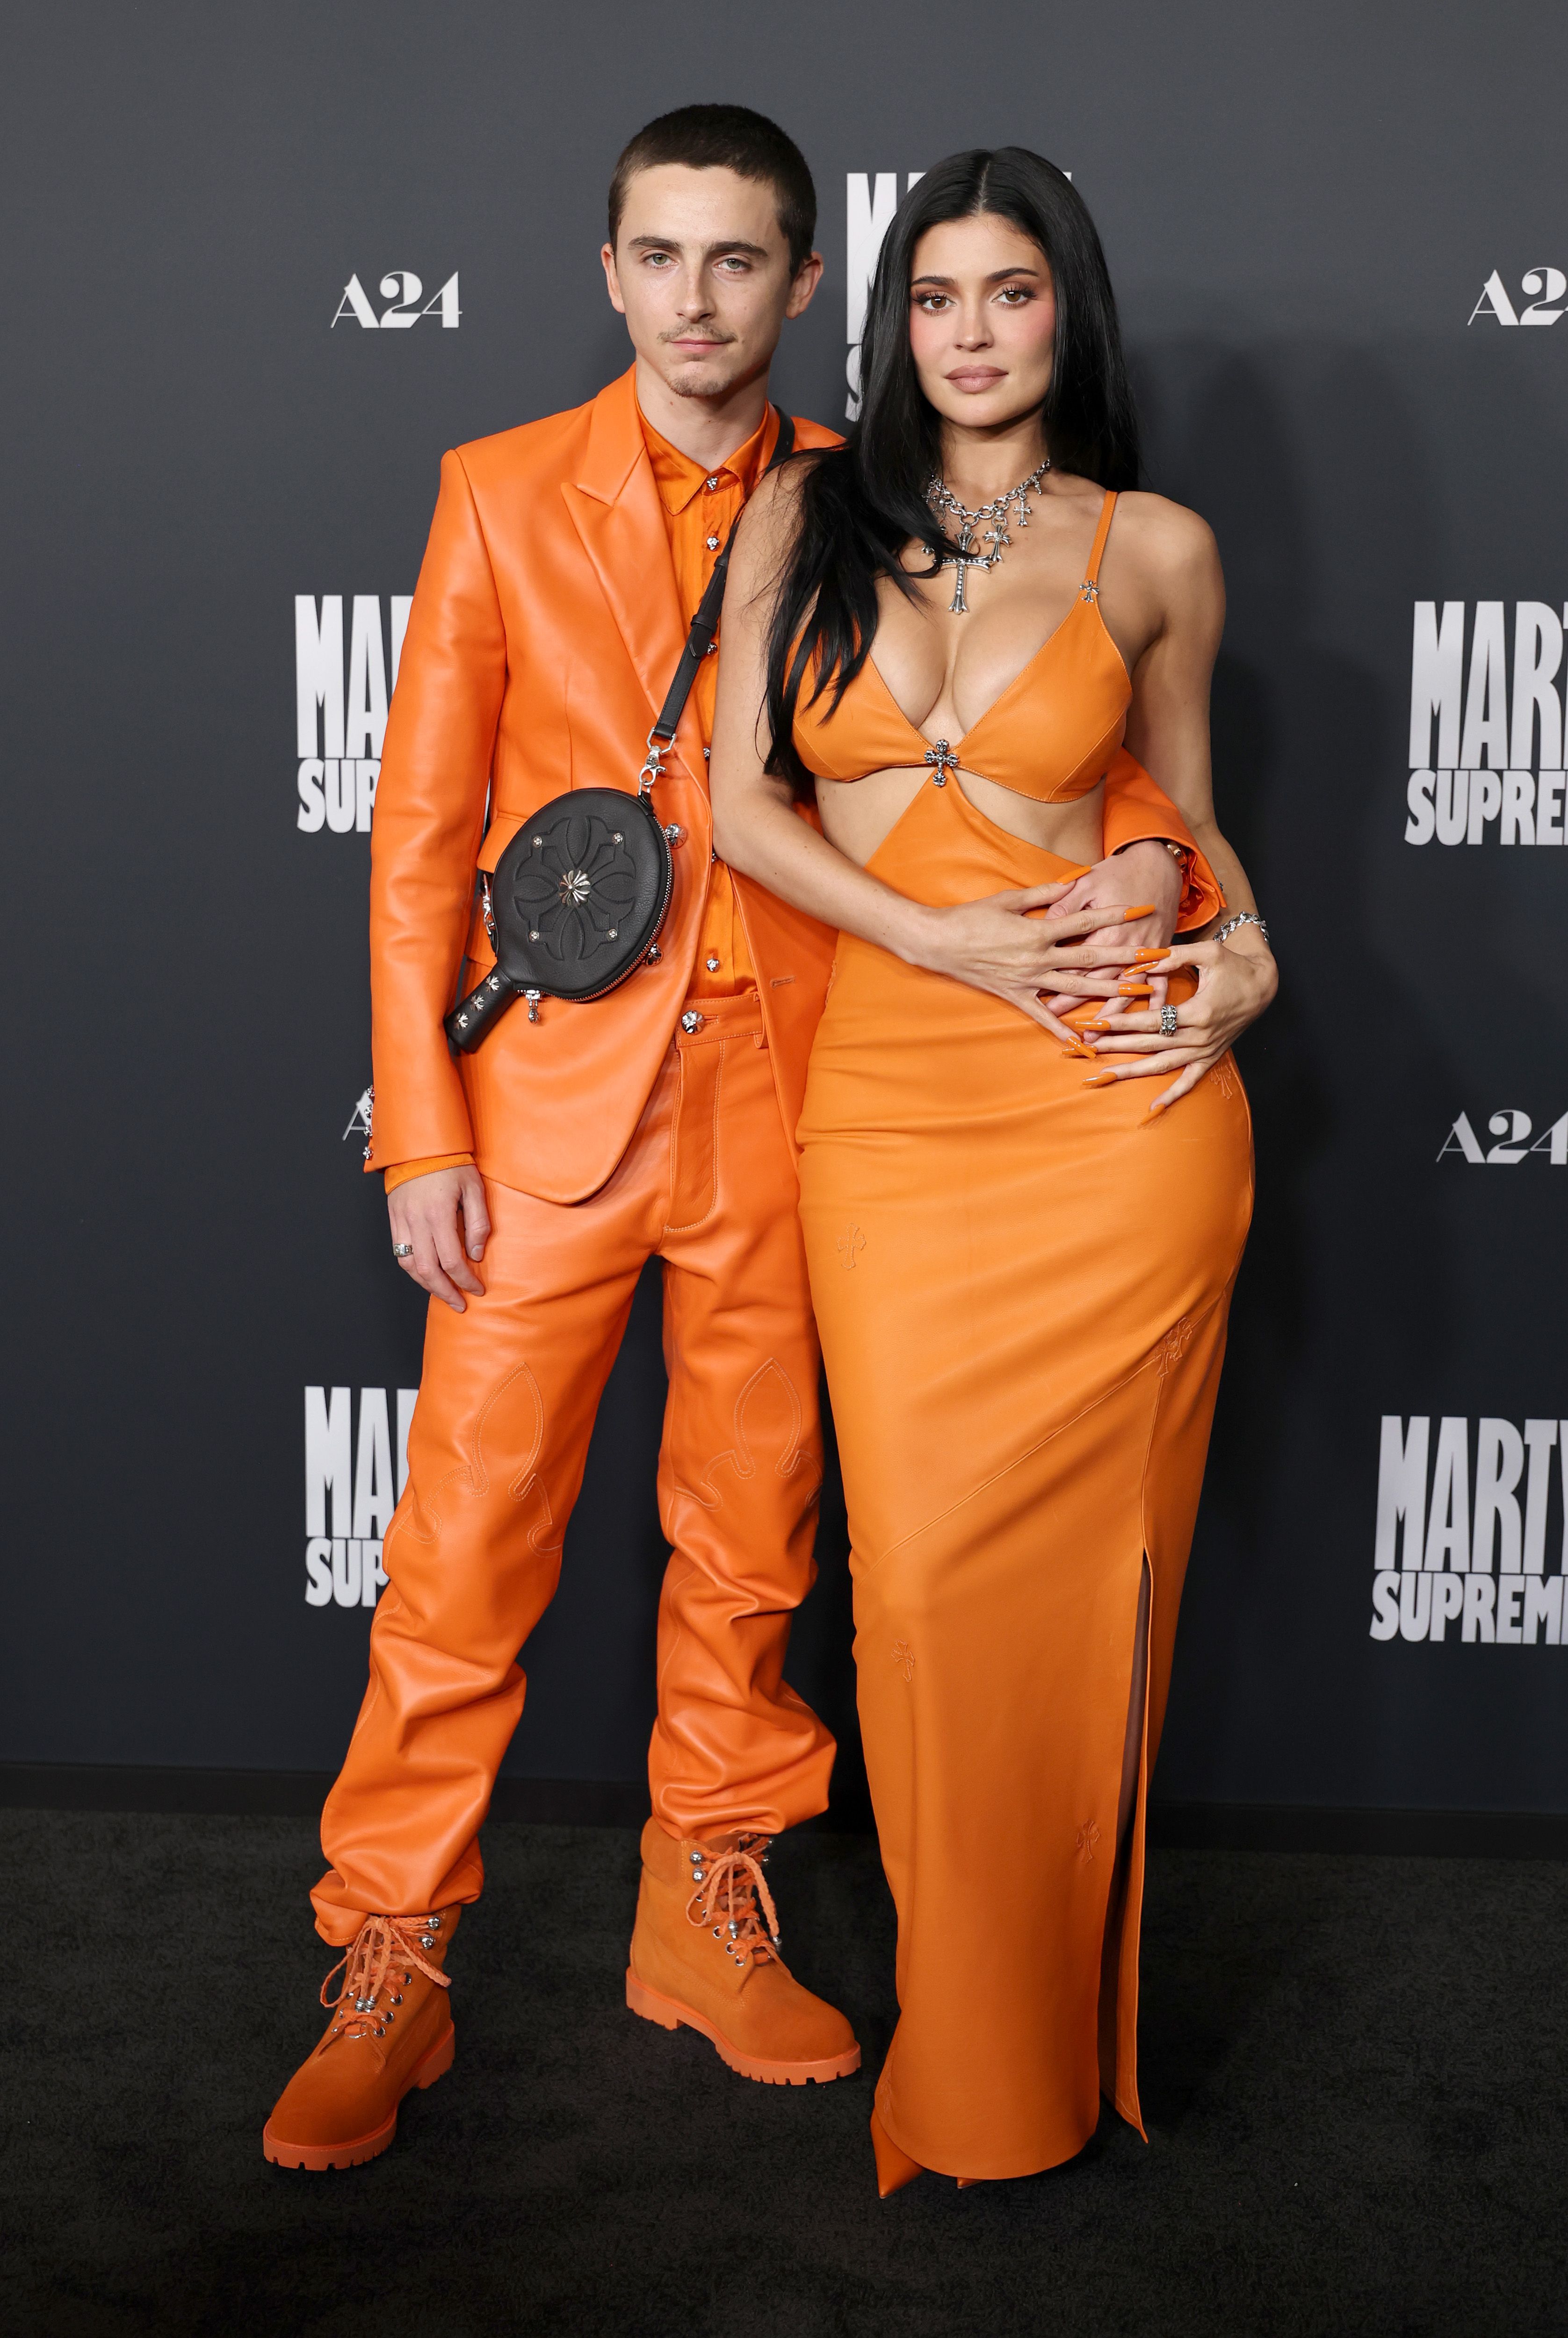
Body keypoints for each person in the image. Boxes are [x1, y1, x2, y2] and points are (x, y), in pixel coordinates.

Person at [264, 110, 1221, 2173]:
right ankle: (391, 1953)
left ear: (804, 289)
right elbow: (420, 833)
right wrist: (418, 1121)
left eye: (737, 264)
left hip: (809, 1100)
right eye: (657, 256)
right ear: (605, 271)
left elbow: (1076, 753)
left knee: (752, 1548)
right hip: (545, 1118)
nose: (693, 299)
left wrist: (1171, 883)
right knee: (459, 1556)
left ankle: (705, 1908)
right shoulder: (498, 494)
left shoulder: (866, 497)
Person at [709, 147, 1275, 2192]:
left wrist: (1244, 939)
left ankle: (1009, 2069)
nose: (969, 329)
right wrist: (937, 936)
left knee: (1076, 1607)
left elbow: (1194, 825)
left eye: (1009, 291)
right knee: (924, 1600)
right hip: (896, 1101)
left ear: (1065, 313)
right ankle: (966, 2050)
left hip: (1113, 1122)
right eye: (935, 294)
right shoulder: (805, 509)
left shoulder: (1158, 548)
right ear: (891, 320)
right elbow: (736, 806)